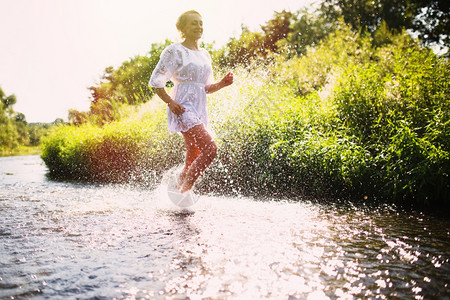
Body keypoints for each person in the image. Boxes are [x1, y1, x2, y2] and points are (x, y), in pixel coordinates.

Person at [149, 10, 233, 194]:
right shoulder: (175, 50)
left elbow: (206, 88)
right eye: (194, 23)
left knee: (193, 155)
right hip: (182, 107)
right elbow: (156, 81)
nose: (199, 27)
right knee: (210, 149)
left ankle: (175, 193)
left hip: (199, 109)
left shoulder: (204, 54)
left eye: (200, 23)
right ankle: (184, 191)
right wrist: (170, 103)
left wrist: (222, 84)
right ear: (182, 28)